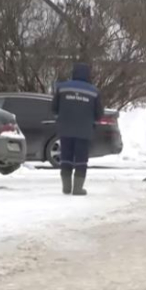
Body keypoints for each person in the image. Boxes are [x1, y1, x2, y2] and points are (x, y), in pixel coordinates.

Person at [52, 62, 104, 196]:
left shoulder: (62, 88)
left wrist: (60, 118)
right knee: (81, 159)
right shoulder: (93, 91)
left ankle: (66, 187)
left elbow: (54, 108)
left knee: (66, 157)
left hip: (65, 128)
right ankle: (78, 188)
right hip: (84, 130)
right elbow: (99, 113)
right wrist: (92, 120)